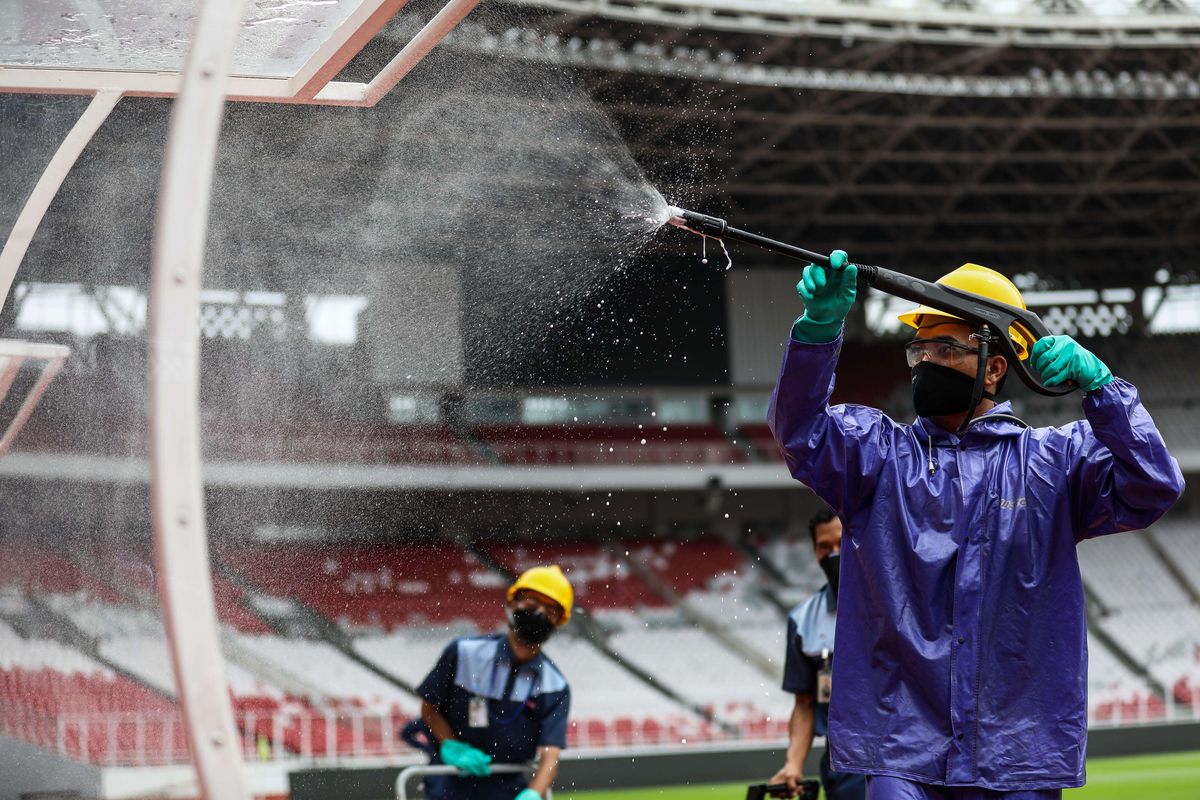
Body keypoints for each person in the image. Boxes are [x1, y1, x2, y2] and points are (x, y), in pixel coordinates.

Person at [768, 253, 1184, 799]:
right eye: (920, 348)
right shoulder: (877, 456)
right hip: (901, 747)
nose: (925, 363)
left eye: (947, 348)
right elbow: (800, 434)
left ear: (994, 366)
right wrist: (816, 334)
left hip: (1021, 750)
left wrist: (1105, 389)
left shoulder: (1056, 462)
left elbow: (1155, 484)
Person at [414, 565, 573, 800]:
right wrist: (452, 746)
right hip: (449, 783)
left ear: (559, 622)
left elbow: (550, 758)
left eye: (550, 611)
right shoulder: (463, 654)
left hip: (506, 791)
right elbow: (430, 708)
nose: (539, 614)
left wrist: (533, 794)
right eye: (531, 604)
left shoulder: (555, 686)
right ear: (512, 604)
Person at [771, 508, 866, 800]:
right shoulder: (803, 621)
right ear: (814, 552)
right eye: (825, 547)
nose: (834, 554)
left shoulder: (897, 606)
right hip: (844, 764)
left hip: (902, 757)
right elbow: (804, 703)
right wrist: (793, 764)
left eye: (842, 543)